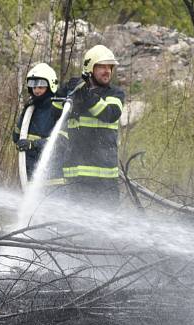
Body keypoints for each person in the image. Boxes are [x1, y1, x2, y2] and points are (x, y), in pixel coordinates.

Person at [53, 44, 125, 207]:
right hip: (76, 179)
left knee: (106, 226)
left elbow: (109, 113)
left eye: (110, 67)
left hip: (105, 180)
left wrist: (86, 94)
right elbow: (56, 115)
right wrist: (65, 92)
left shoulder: (115, 94)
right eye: (101, 67)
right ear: (90, 68)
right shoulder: (75, 91)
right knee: (76, 227)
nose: (107, 71)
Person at [12, 63, 60, 186]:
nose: (36, 90)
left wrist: (33, 144)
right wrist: (24, 115)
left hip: (52, 180)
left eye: (41, 86)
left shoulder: (57, 109)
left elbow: (59, 142)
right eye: (33, 86)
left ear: (50, 85)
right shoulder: (30, 110)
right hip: (30, 176)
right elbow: (16, 137)